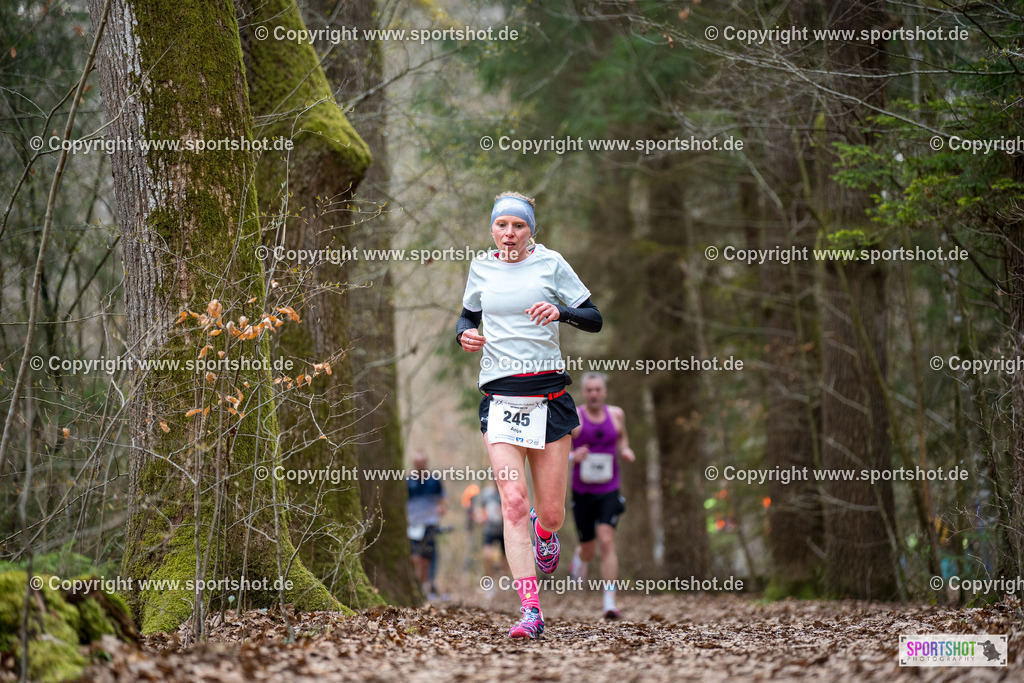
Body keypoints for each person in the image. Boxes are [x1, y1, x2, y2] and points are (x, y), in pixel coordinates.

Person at [456, 191, 602, 638]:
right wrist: (466, 336)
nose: (510, 233)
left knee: (551, 513)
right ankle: (530, 611)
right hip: (500, 400)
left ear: (530, 230)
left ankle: (546, 532)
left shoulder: (551, 263)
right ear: (492, 229)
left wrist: (561, 311)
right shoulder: (480, 268)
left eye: (518, 225)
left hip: (549, 398)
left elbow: (594, 318)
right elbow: (465, 319)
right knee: (514, 503)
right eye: (502, 225)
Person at [568, 372, 635, 619]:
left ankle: (609, 600)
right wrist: (573, 456)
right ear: (584, 393)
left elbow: (622, 439)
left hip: (609, 489)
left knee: (607, 540)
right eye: (589, 390)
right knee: (589, 549)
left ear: (604, 392)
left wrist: (626, 451)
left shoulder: (616, 415)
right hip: (582, 491)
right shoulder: (576, 416)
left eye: (598, 389)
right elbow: (562, 449)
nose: (594, 394)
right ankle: (580, 556)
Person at [407, 452, 446, 599]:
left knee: (427, 556)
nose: (419, 465)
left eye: (422, 462)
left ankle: (426, 586)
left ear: (426, 463)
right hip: (413, 523)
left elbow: (442, 498)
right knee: (415, 556)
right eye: (417, 462)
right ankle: (417, 584)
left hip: (430, 523)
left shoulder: (434, 480)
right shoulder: (408, 481)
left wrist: (441, 508)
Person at [473, 482, 508, 597]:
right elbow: (480, 509)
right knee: (487, 556)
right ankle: (490, 583)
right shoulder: (486, 493)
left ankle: (506, 582)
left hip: (505, 530)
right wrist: (479, 516)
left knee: (505, 558)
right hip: (489, 530)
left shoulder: (508, 492)